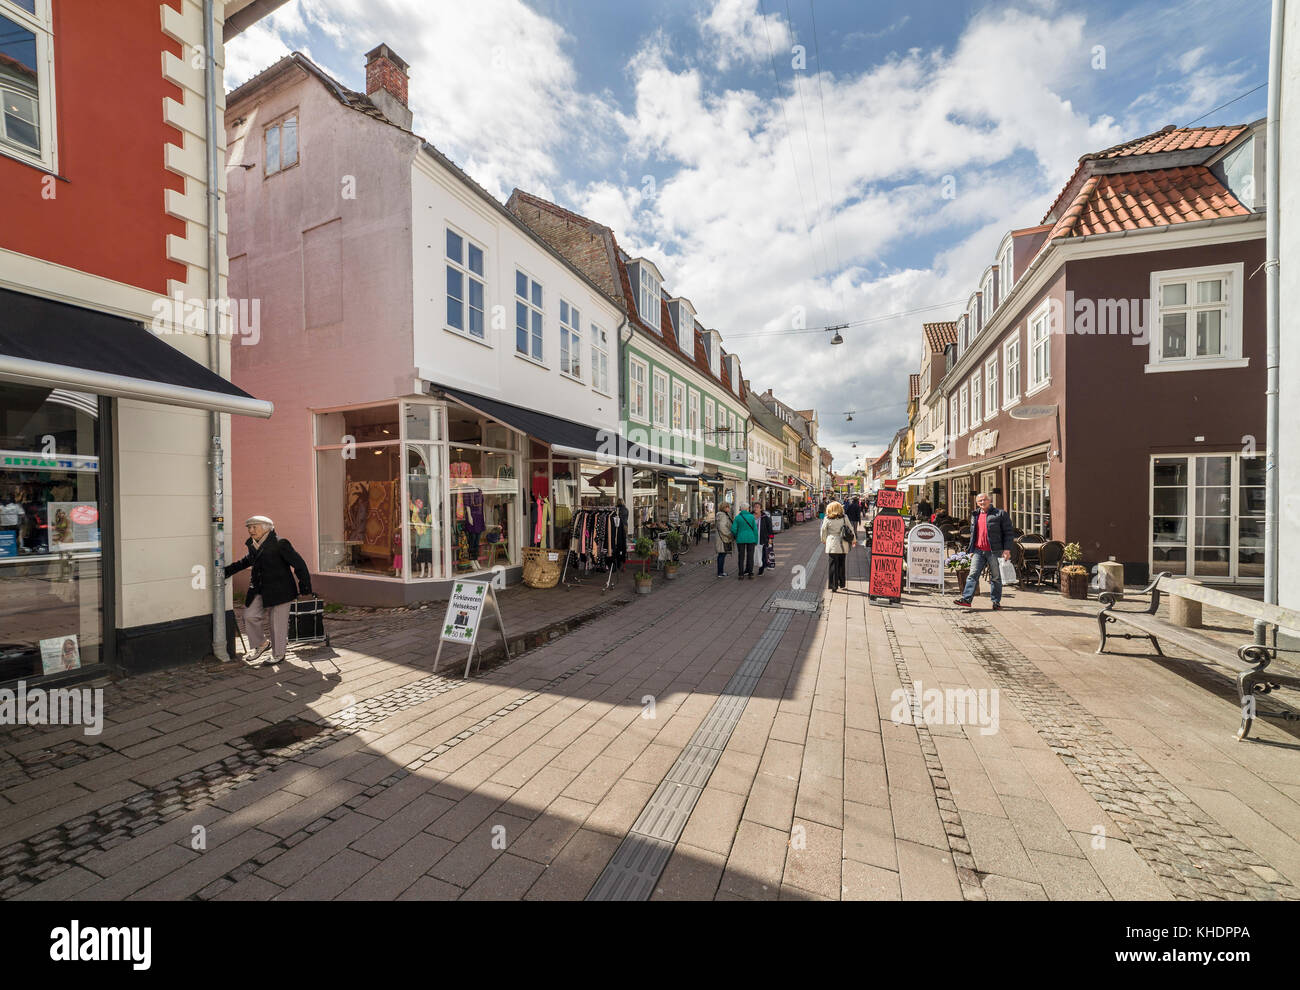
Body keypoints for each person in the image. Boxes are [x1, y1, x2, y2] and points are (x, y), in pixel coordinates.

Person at [224, 514, 313, 664]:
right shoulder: (254, 545)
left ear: (266, 529)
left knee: (277, 624)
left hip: (281, 590)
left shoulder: (280, 543)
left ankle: (278, 654)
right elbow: (244, 562)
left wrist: (304, 587)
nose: (251, 530)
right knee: (249, 616)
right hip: (260, 589)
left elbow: (299, 564)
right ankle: (262, 644)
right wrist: (225, 571)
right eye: (249, 528)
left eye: (254, 527)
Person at [954, 492, 1015, 610]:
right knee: (972, 575)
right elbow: (974, 534)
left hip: (994, 551)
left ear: (990, 500)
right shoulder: (975, 514)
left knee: (996, 577)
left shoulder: (1000, 514)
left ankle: (996, 602)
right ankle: (966, 600)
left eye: (984, 500)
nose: (982, 502)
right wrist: (971, 549)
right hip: (978, 551)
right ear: (977, 503)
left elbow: (1008, 533)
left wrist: (1007, 549)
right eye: (980, 501)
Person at [819, 500, 854, 592]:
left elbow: (823, 530)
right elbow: (850, 528)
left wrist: (823, 539)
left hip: (832, 543)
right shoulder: (844, 517)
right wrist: (853, 540)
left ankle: (833, 585)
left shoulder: (827, 518)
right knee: (842, 564)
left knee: (833, 565)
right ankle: (841, 583)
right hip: (843, 543)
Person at [732, 502, 759, 579]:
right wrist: (756, 540)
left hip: (740, 539)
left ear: (741, 509)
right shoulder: (751, 517)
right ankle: (750, 573)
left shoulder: (737, 517)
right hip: (751, 539)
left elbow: (733, 529)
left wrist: (737, 535)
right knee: (750, 556)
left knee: (741, 556)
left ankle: (741, 574)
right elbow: (755, 530)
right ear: (747, 509)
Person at [714, 502, 734, 578]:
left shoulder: (723, 515)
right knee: (722, 555)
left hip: (722, 538)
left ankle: (720, 571)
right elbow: (722, 528)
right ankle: (720, 572)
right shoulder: (723, 516)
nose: (729, 508)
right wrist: (730, 534)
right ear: (725, 508)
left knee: (721, 555)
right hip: (723, 539)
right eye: (728, 507)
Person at [757, 503, 775, 575]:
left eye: (757, 507)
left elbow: (770, 528)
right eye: (754, 507)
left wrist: (771, 538)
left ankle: (761, 569)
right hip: (753, 539)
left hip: (763, 538)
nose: (755, 508)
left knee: (763, 554)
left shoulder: (765, 517)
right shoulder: (751, 516)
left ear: (761, 509)